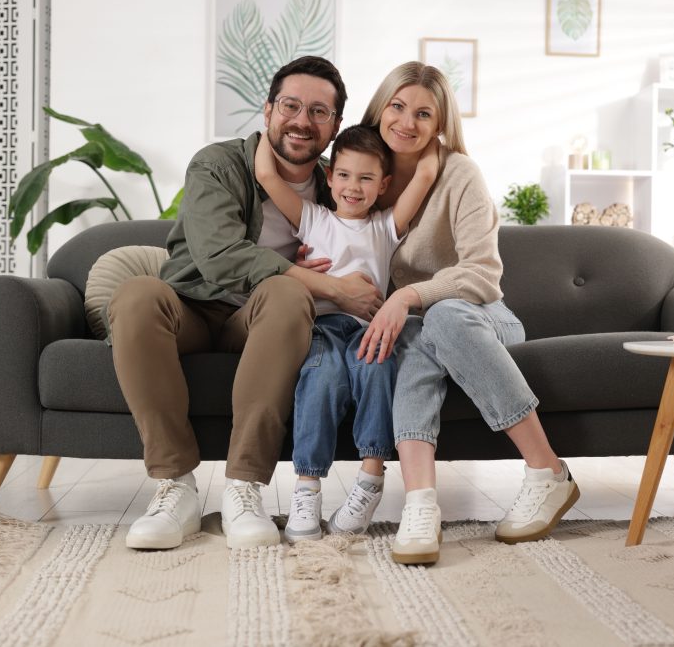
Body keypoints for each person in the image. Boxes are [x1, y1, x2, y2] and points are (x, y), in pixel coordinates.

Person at [108, 56, 384, 551]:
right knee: (135, 296)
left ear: (335, 125)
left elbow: (373, 238)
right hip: (191, 306)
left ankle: (244, 487)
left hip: (263, 318)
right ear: (268, 110)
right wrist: (330, 286)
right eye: (291, 105)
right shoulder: (218, 164)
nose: (302, 120)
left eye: (319, 112)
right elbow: (218, 257)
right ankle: (176, 487)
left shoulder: (338, 182)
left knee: (284, 291)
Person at [357, 61, 581, 565]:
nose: (406, 122)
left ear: (440, 125)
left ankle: (547, 472)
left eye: (423, 113)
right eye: (397, 106)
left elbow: (482, 274)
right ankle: (420, 504)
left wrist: (407, 296)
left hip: (483, 318)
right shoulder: (364, 174)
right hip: (420, 328)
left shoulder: (460, 173)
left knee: (444, 317)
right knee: (417, 336)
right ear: (380, 108)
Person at [253, 125, 437, 542]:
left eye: (367, 178)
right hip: (320, 328)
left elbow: (425, 175)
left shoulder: (386, 226)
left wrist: (432, 136)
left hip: (367, 330)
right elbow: (267, 175)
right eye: (345, 175)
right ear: (330, 176)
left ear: (384, 184)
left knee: (377, 372)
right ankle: (306, 489)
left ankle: (370, 482)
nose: (354, 187)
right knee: (319, 381)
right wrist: (269, 126)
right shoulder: (313, 219)